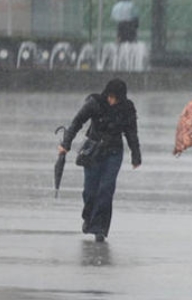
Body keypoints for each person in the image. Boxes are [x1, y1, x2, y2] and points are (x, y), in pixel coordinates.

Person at [58, 78, 141, 242]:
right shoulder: (95, 103)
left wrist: (136, 155)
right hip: (93, 151)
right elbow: (77, 122)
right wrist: (65, 144)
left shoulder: (127, 109)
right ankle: (89, 218)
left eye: (115, 98)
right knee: (90, 190)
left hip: (114, 153)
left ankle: (100, 228)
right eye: (110, 97)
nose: (112, 101)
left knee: (106, 189)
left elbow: (131, 133)